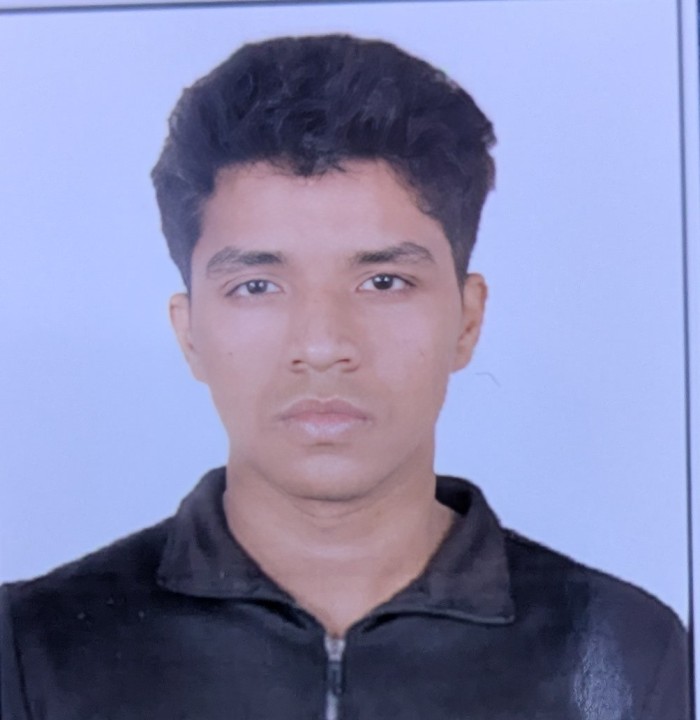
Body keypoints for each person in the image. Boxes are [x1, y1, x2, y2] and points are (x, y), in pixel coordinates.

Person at [0, 33, 689, 720]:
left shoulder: (626, 648)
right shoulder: (33, 648)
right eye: (257, 286)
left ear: (468, 319)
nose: (323, 345)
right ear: (190, 334)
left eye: (384, 281)